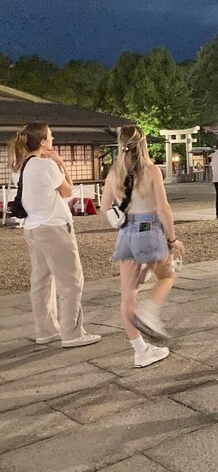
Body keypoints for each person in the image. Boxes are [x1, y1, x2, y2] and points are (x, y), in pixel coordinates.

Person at [102, 126, 185, 368]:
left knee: (128, 293)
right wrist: (172, 238)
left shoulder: (113, 173)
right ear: (143, 144)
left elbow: (105, 206)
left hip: (126, 232)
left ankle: (140, 351)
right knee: (169, 275)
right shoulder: (152, 171)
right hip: (149, 229)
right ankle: (149, 313)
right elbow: (163, 208)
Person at [12, 123, 101, 347]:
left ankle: (46, 330)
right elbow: (68, 191)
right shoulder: (45, 165)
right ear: (42, 142)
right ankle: (73, 333)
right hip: (54, 226)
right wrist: (61, 164)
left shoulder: (19, 167)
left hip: (33, 227)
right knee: (70, 280)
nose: (53, 139)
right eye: (50, 136)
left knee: (41, 281)